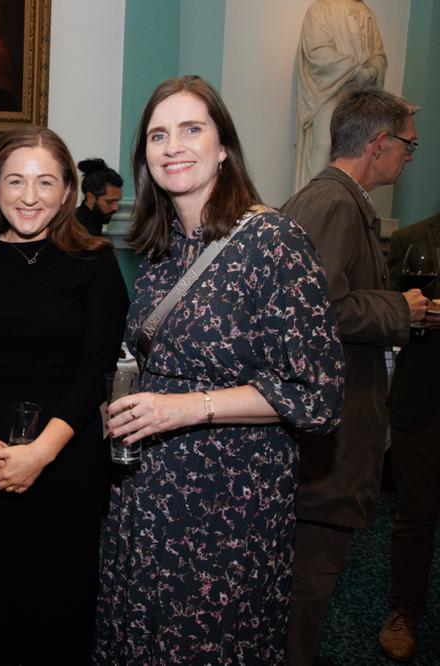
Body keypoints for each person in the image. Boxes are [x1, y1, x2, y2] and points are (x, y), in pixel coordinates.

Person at [94, 75, 344, 664]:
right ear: (145, 158)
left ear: (223, 147)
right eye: (158, 135)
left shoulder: (273, 242)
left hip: (229, 502)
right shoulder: (161, 254)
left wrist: (186, 407)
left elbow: (320, 394)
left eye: (191, 129)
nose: (173, 145)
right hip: (150, 492)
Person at [0, 126, 128, 664]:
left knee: (57, 607)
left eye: (45, 181)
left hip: (63, 459)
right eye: (15, 181)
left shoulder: (96, 263)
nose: (29, 195)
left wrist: (40, 453)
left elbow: (95, 370)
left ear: (67, 191)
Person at [281, 88, 428, 666]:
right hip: (328, 445)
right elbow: (314, 312)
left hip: (332, 436)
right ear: (378, 143)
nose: (410, 156)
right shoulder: (335, 204)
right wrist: (400, 311)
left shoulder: (340, 201)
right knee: (305, 585)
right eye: (409, 146)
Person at [376, 211, 440, 661]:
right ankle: (403, 612)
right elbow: (391, 307)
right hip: (424, 398)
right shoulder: (413, 238)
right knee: (416, 515)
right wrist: (416, 314)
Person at [294, 0, 386, 192]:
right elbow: (317, 51)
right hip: (329, 91)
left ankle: (347, 204)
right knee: (324, 143)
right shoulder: (321, 9)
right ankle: (312, 201)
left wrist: (374, 69)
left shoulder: (366, 12)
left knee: (361, 150)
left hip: (359, 97)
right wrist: (354, 70)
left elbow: (378, 53)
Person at [75, 157, 123, 236]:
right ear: (91, 198)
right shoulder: (82, 235)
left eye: (117, 201)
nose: (115, 208)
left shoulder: (77, 219)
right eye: (109, 202)